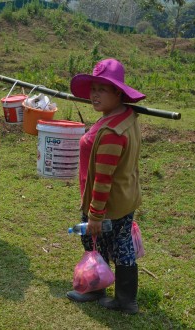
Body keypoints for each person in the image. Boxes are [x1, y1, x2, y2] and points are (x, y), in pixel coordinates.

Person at [66, 58, 146, 314]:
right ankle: (122, 296)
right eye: (93, 88)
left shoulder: (112, 132)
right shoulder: (125, 116)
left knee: (97, 242)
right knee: (119, 244)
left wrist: (95, 215)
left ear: (118, 93)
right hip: (125, 197)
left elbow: (103, 179)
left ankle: (101, 290)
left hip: (107, 203)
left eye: (103, 89)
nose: (94, 94)